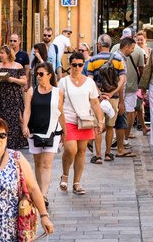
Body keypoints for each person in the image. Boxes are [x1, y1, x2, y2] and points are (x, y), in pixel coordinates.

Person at [59, 51, 104, 195]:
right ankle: (65, 175)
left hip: (84, 120)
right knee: (71, 149)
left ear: (83, 65)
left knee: (82, 151)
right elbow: (59, 103)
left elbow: (95, 102)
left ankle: (77, 182)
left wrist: (100, 120)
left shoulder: (89, 82)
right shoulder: (63, 81)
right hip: (68, 120)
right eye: (74, 65)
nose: (77, 67)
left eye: (80, 64)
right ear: (70, 65)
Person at [22, 62, 65, 199]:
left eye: (41, 74)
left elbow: (60, 112)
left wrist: (64, 130)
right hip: (35, 131)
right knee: (38, 162)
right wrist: (25, 126)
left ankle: (43, 195)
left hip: (53, 131)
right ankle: (39, 192)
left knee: (46, 163)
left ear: (49, 75)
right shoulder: (31, 91)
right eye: (36, 74)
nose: (38, 77)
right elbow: (27, 111)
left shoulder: (57, 92)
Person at [85, 34, 126, 163]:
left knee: (98, 126)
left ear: (99, 45)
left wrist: (99, 93)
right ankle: (108, 153)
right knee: (110, 127)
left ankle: (97, 156)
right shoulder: (118, 60)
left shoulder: (92, 60)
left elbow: (90, 80)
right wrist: (113, 93)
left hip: (97, 99)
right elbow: (122, 80)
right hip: (112, 98)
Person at [0, 45, 29, 149]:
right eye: (0, 53)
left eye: (2, 53)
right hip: (0, 97)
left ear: (8, 54)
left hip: (13, 97)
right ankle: (0, 140)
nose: (0, 55)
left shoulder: (18, 66)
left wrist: (12, 80)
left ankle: (14, 142)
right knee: (0, 119)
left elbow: (24, 81)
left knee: (14, 119)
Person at [111, 36, 145, 145]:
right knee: (120, 118)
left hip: (121, 92)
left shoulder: (117, 56)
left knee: (120, 117)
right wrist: (121, 100)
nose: (133, 51)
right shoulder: (119, 59)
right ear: (126, 47)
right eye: (132, 48)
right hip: (119, 93)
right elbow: (120, 81)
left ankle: (120, 141)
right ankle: (121, 142)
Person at [135, 31, 152, 136]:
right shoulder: (135, 50)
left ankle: (143, 123)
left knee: (145, 102)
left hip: (148, 78)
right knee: (139, 102)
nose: (140, 41)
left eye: (142, 39)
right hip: (138, 79)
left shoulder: (149, 50)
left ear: (145, 40)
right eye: (138, 39)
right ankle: (141, 124)